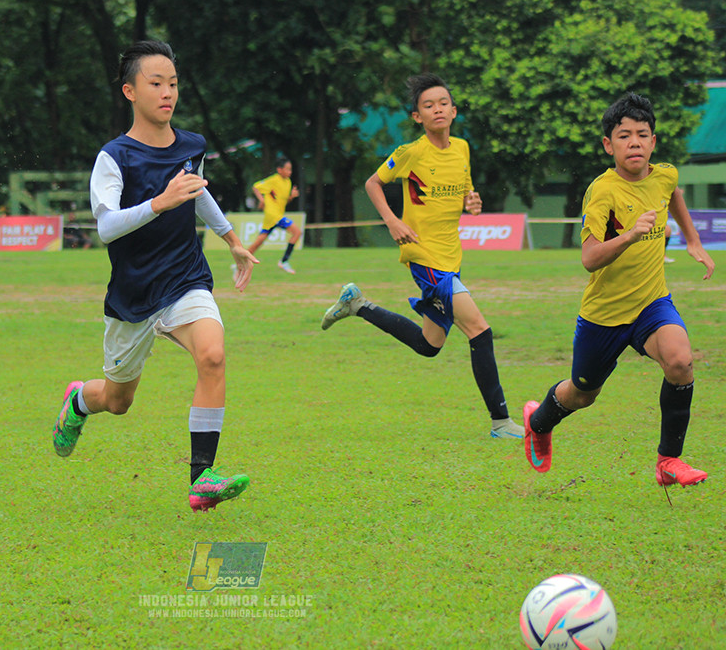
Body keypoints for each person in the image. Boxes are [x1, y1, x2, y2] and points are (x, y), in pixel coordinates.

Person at [52, 40, 259, 512]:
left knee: (212, 354)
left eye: (173, 83)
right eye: (156, 83)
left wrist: (231, 239)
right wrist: (160, 203)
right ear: (130, 91)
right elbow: (106, 227)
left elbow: (197, 190)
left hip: (185, 278)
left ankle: (202, 477)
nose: (168, 92)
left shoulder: (191, 145)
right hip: (132, 293)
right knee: (119, 401)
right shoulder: (114, 157)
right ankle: (80, 400)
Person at [522, 92, 715, 487]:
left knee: (680, 362)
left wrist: (692, 239)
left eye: (642, 135)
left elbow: (673, 194)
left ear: (654, 142)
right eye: (624, 136)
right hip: (604, 315)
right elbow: (590, 258)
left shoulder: (664, 175)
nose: (635, 143)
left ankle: (668, 462)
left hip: (651, 303)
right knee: (581, 394)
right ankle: (538, 421)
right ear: (609, 145)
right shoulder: (602, 192)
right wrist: (629, 236)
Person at [320, 73, 523, 439]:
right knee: (480, 330)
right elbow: (372, 183)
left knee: (429, 345)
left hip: (451, 257)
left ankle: (358, 305)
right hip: (424, 257)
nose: (437, 109)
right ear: (418, 117)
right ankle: (500, 422)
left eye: (443, 103)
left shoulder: (462, 148)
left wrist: (471, 201)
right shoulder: (412, 152)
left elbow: (464, 191)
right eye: (428, 106)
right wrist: (392, 221)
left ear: (454, 110)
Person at [249, 157, 301, 273]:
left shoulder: (288, 182)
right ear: (279, 170)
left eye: (290, 169)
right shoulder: (273, 180)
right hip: (273, 215)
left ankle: (240, 262)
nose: (289, 172)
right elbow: (256, 187)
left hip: (275, 215)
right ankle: (284, 261)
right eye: (287, 169)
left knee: (259, 242)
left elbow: (284, 201)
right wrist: (261, 200)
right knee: (297, 232)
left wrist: (291, 196)